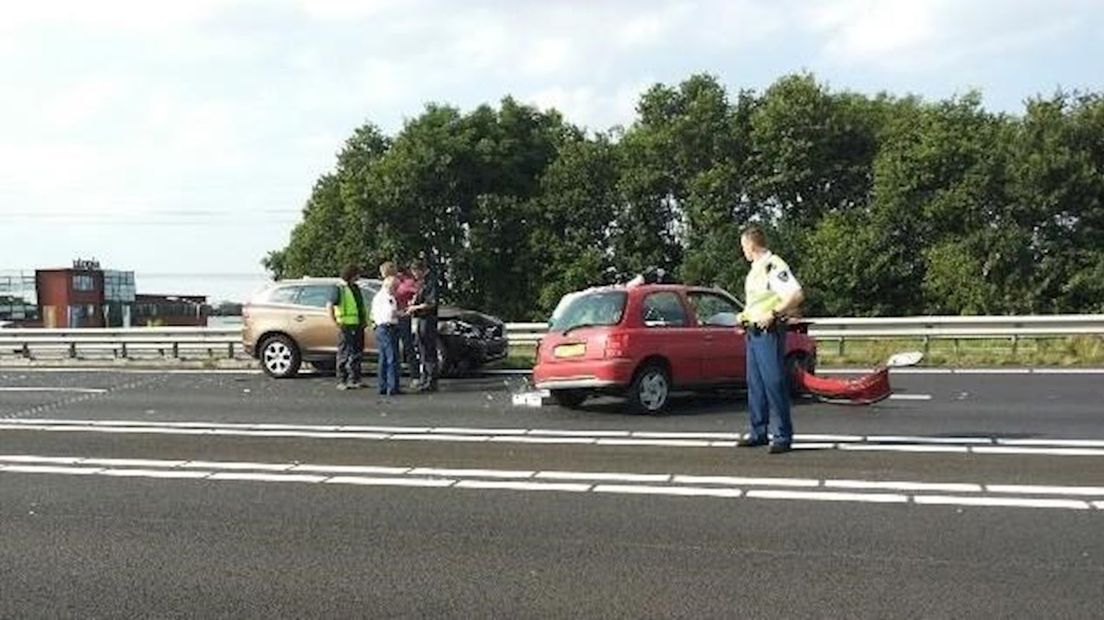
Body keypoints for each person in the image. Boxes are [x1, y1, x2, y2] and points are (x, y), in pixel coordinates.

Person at [735, 226, 805, 454]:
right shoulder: (755, 270)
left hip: (769, 331)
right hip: (753, 331)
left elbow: (795, 294)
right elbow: (756, 302)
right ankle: (759, 431)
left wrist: (774, 313)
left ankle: (783, 434)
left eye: (743, 246)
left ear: (751, 245)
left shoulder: (773, 265)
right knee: (755, 384)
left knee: (773, 382)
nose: (742, 250)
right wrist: (744, 317)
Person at [325, 264, 367, 390]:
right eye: (357, 274)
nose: (358, 277)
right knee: (344, 352)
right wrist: (335, 322)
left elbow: (360, 306)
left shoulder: (356, 288)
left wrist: (364, 321)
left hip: (358, 324)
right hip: (346, 324)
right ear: (351, 274)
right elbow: (330, 305)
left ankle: (355, 379)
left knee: (357, 352)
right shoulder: (339, 288)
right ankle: (342, 380)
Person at [405, 259, 439, 392]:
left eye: (415, 272)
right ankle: (425, 377)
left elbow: (431, 303)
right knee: (422, 349)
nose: (414, 275)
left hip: (428, 318)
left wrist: (415, 307)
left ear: (420, 270)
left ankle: (431, 380)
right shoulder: (421, 283)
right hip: (420, 318)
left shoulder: (430, 282)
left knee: (428, 349)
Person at [371, 275, 401, 396]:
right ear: (390, 286)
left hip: (380, 328)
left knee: (383, 358)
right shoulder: (387, 297)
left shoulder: (377, 297)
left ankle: (382, 385)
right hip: (387, 328)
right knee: (392, 357)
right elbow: (391, 313)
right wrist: (402, 313)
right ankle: (392, 386)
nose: (396, 290)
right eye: (395, 287)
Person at [394, 264, 419, 375]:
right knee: (394, 346)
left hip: (404, 316)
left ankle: (415, 372)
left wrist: (412, 304)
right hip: (394, 316)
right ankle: (397, 373)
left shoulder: (408, 282)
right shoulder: (395, 283)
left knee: (408, 344)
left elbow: (417, 293)